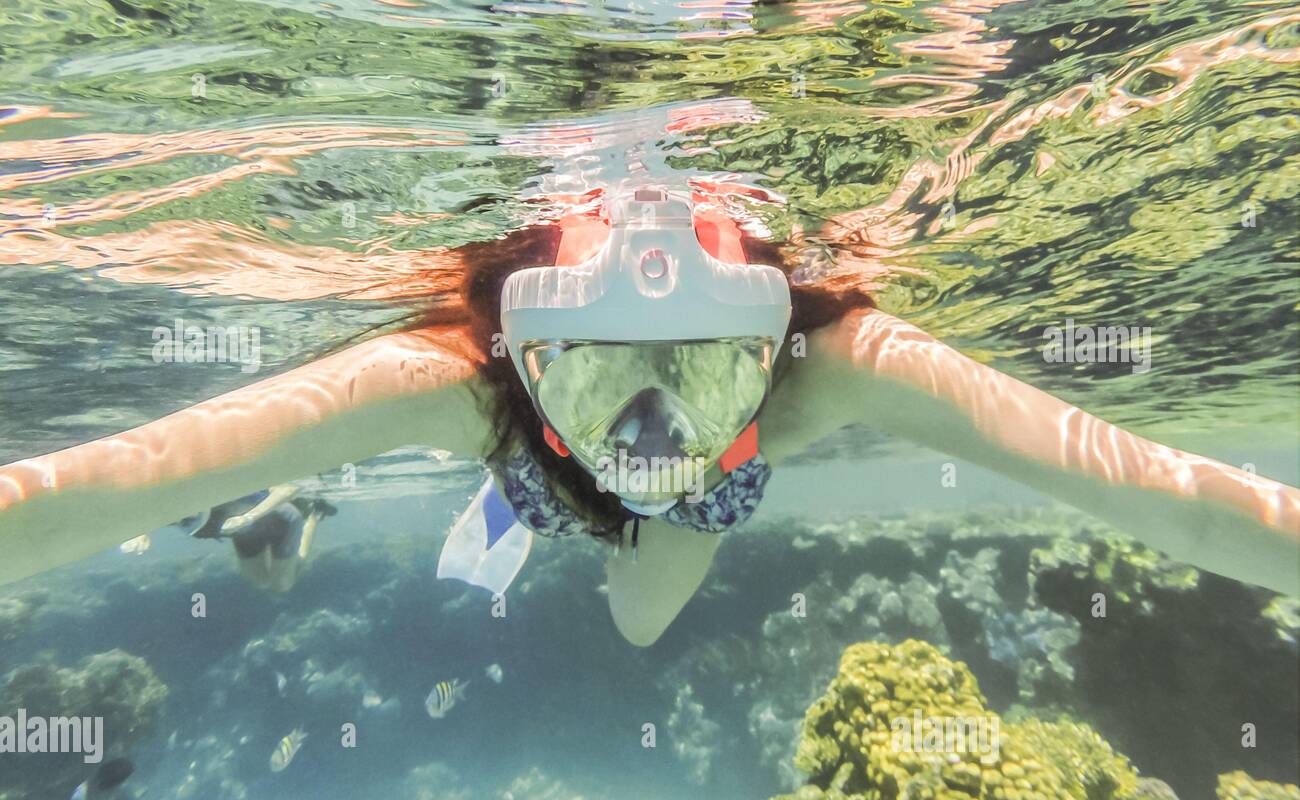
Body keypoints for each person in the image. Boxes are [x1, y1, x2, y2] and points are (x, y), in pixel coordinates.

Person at [1, 183, 1295, 645]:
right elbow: (138, 477)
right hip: (533, 454)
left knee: (634, 622)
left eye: (697, 363)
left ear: (768, 334)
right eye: (595, 362)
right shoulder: (459, 377)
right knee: (590, 541)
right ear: (523, 345)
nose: (650, 423)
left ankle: (521, 487)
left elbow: (1144, 485)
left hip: (651, 482)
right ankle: (517, 486)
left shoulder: (832, 360)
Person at [175, 485, 336, 592]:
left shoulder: (225, 494)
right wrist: (147, 532)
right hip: (243, 531)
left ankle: (314, 513)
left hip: (282, 523)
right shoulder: (169, 512)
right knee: (258, 581)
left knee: (281, 585)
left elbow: (288, 489)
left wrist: (247, 518)